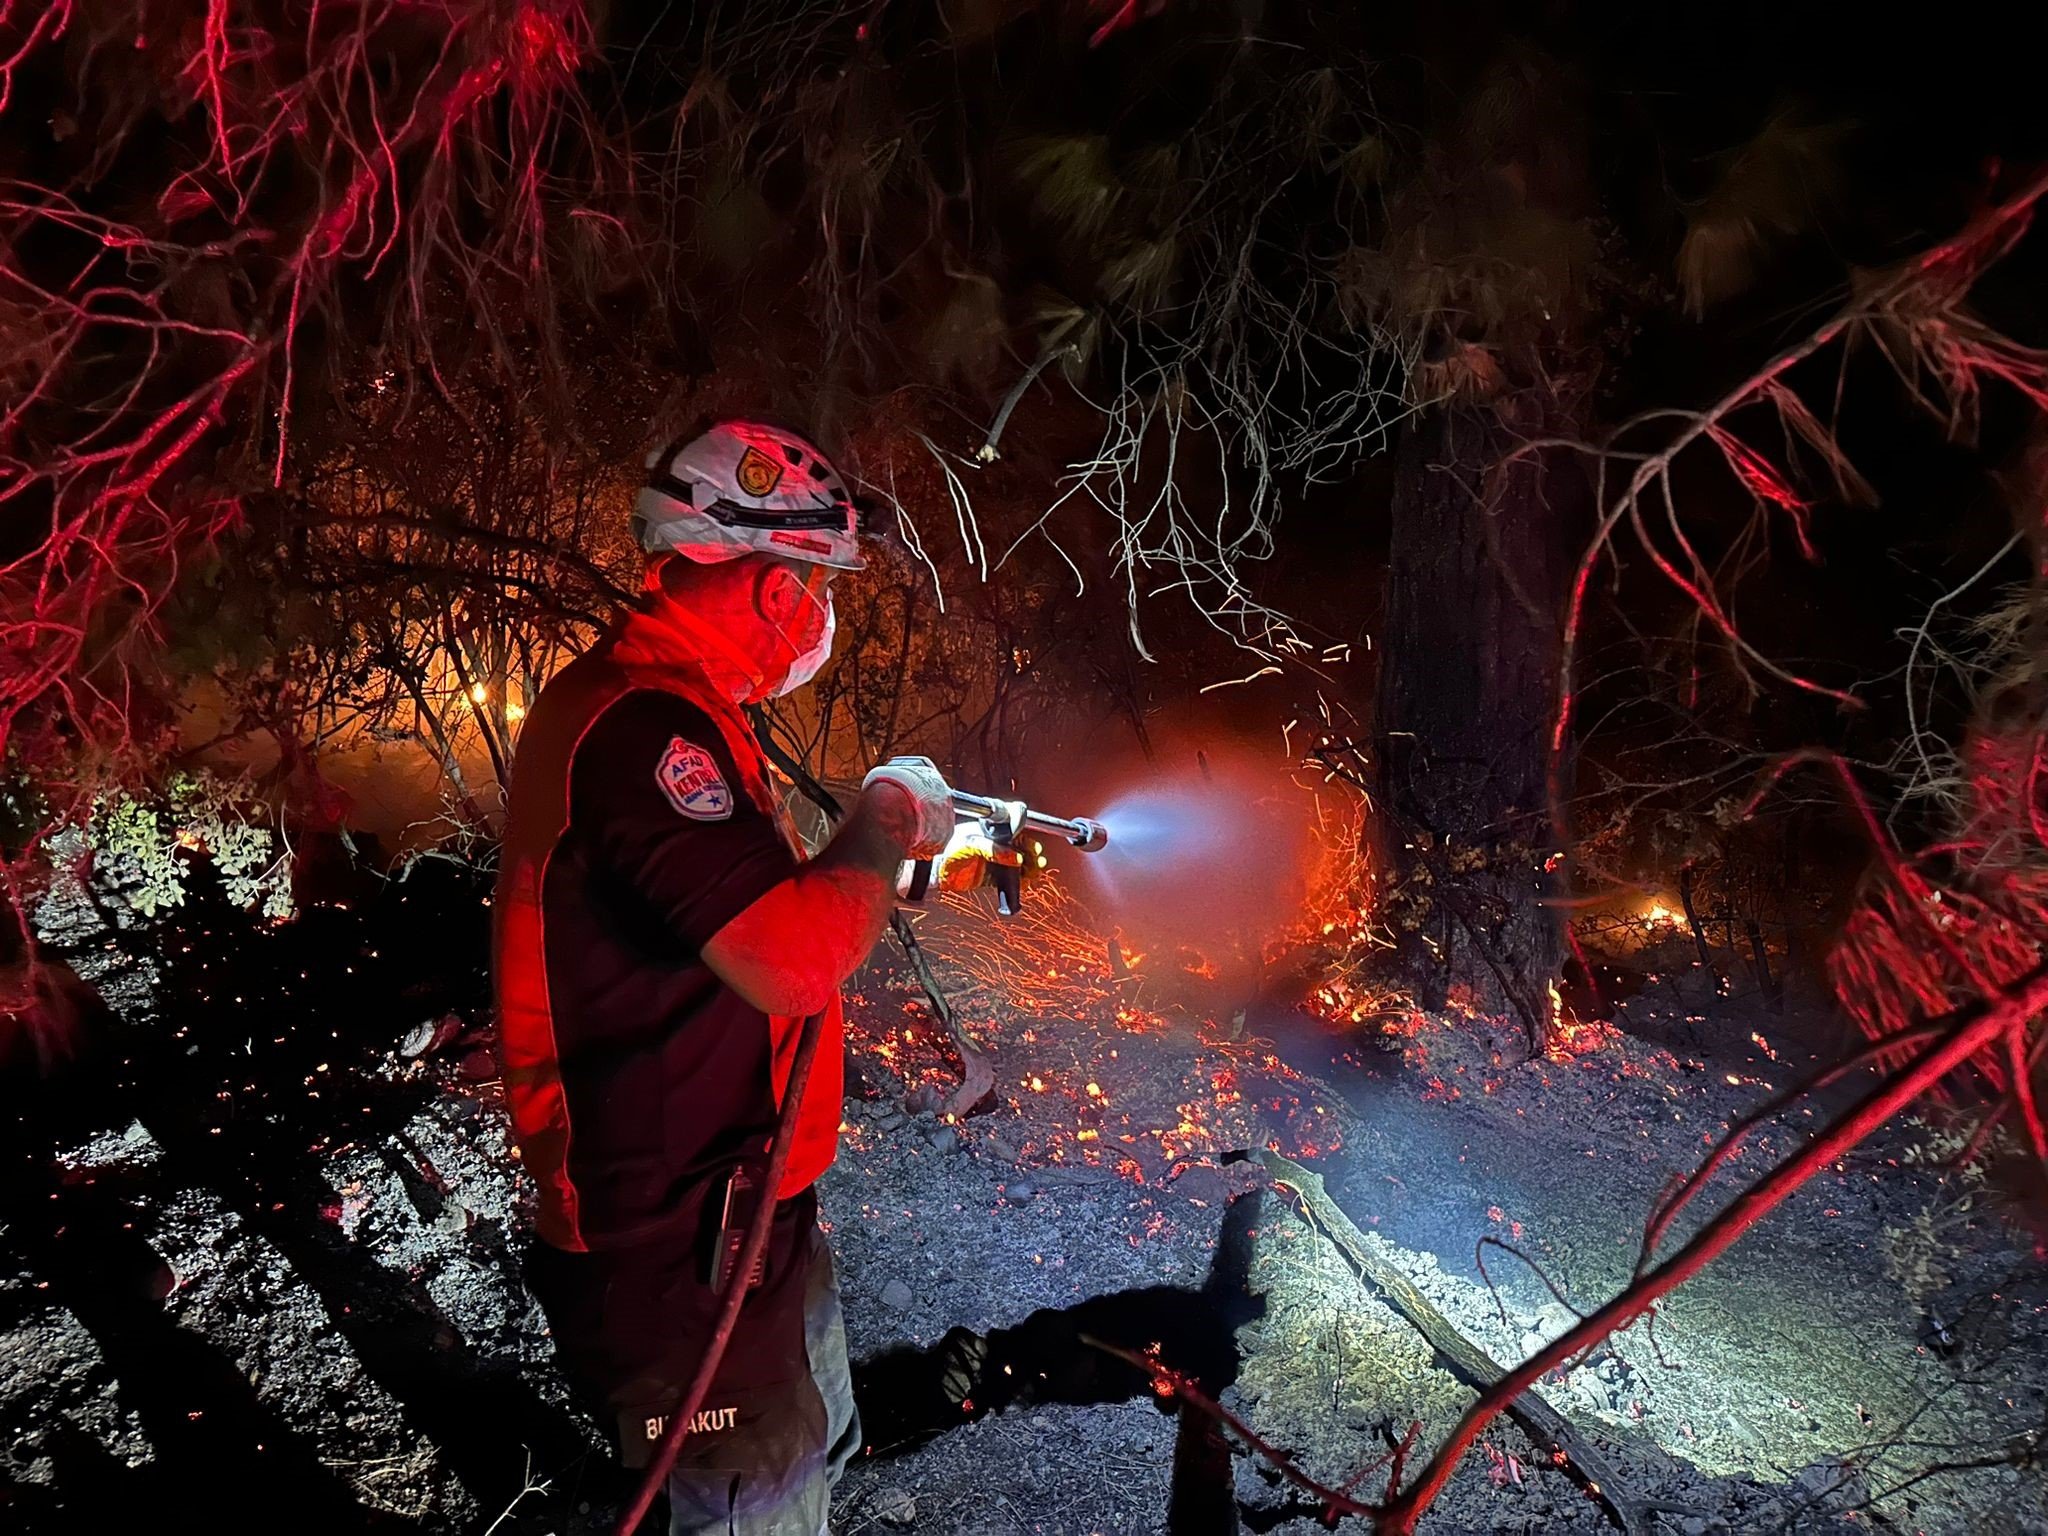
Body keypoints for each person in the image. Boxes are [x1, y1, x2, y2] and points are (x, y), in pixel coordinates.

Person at [494, 420, 957, 1534]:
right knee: (750, 1496)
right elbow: (789, 959)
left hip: (744, 1212)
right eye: (813, 583)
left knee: (811, 1443)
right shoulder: (642, 733)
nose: (822, 614)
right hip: (674, 1247)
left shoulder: (679, 710)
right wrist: (886, 811)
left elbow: (755, 917)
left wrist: (888, 850)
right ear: (754, 582)